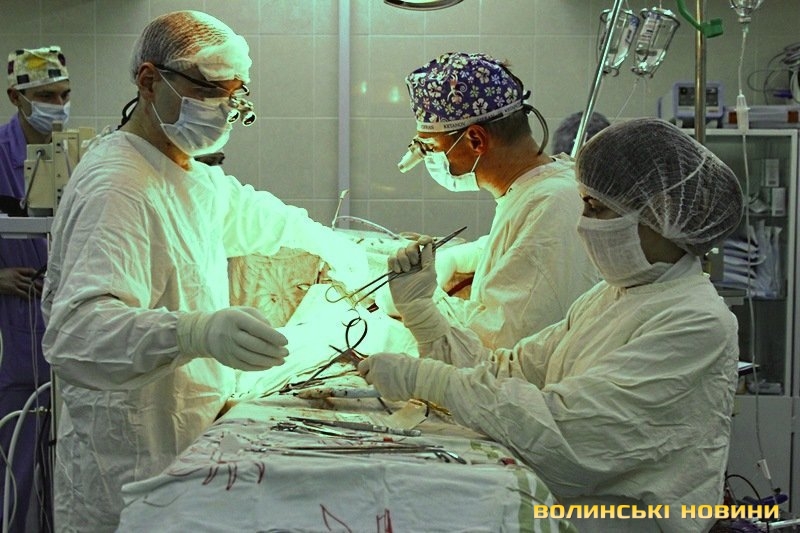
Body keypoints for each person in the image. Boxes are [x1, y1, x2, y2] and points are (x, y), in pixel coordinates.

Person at [40, 11, 369, 532]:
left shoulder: (183, 172)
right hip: (130, 473)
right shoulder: (117, 186)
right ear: (150, 81)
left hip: (189, 455)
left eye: (233, 96)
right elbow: (77, 335)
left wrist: (342, 248)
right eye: (209, 91)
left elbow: (258, 216)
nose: (223, 109)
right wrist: (194, 332)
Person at [360, 117, 744, 532]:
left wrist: (429, 380)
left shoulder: (696, 322)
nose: (582, 224)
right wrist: (422, 314)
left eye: (596, 208)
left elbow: (565, 436)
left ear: (660, 213)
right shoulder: (613, 297)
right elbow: (507, 370)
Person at [381, 52, 597, 350]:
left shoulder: (551, 205)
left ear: (476, 140)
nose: (431, 158)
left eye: (430, 146)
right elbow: (520, 251)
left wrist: (419, 305)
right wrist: (457, 258)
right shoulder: (539, 187)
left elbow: (498, 345)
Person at [0, 45, 70, 532]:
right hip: (16, 333)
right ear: (16, 97)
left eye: (64, 94)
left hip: (63, 327)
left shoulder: (76, 154)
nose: (58, 105)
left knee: (64, 470)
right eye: (46, 96)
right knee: (16, 465)